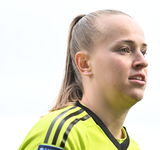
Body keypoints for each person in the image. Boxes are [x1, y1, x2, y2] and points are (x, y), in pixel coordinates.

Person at [19, 9, 148, 150]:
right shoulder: (63, 133)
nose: (143, 61)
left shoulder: (134, 147)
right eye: (124, 49)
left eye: (143, 52)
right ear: (85, 64)